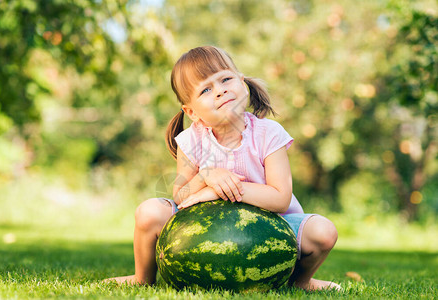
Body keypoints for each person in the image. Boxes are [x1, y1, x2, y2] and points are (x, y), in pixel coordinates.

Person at [105, 46, 340, 291]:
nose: (220, 91)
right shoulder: (191, 140)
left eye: (226, 79)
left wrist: (219, 191)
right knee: (148, 211)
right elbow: (180, 195)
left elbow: (280, 198)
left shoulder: (269, 134)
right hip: (203, 224)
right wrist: (206, 176)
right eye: (206, 89)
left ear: (242, 82)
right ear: (192, 112)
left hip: (272, 221)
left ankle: (299, 282)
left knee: (324, 231)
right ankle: (142, 277)